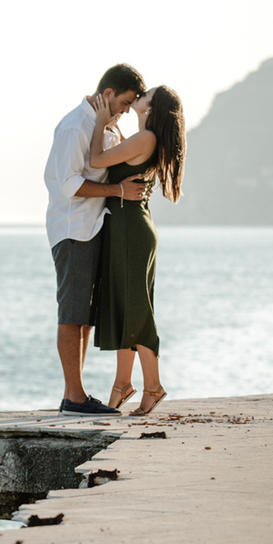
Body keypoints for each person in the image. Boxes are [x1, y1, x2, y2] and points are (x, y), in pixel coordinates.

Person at [44, 64, 149, 415]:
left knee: (85, 315)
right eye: (124, 102)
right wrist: (119, 190)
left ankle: (77, 394)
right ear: (107, 94)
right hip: (73, 228)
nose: (124, 110)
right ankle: (73, 397)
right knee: (71, 313)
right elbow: (70, 185)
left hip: (93, 226)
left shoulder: (105, 126)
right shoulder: (76, 126)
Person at [88, 85, 186, 415]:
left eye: (145, 95)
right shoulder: (143, 138)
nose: (139, 97)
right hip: (130, 228)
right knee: (126, 307)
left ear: (152, 107)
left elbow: (96, 160)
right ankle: (121, 384)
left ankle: (154, 386)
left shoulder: (145, 139)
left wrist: (101, 123)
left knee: (137, 311)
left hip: (131, 230)